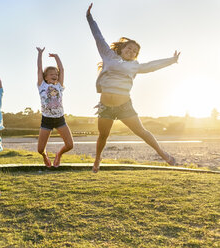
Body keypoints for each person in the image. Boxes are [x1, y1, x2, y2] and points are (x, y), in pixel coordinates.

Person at [86, 3, 180, 173]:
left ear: (136, 55)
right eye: (129, 47)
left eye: (135, 51)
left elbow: (152, 65)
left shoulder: (135, 66)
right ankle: (98, 158)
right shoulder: (108, 56)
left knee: (142, 132)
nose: (132, 51)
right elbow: (98, 37)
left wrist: (171, 60)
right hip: (105, 107)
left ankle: (163, 154)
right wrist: (89, 18)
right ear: (122, 49)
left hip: (124, 107)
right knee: (103, 135)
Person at [36, 47, 74, 167]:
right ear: (45, 77)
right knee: (40, 149)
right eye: (52, 74)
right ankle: (45, 156)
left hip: (60, 119)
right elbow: (39, 69)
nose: (55, 76)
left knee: (70, 145)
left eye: (56, 74)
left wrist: (56, 57)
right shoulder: (41, 85)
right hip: (46, 120)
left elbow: (62, 70)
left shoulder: (59, 86)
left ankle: (59, 154)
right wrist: (40, 54)